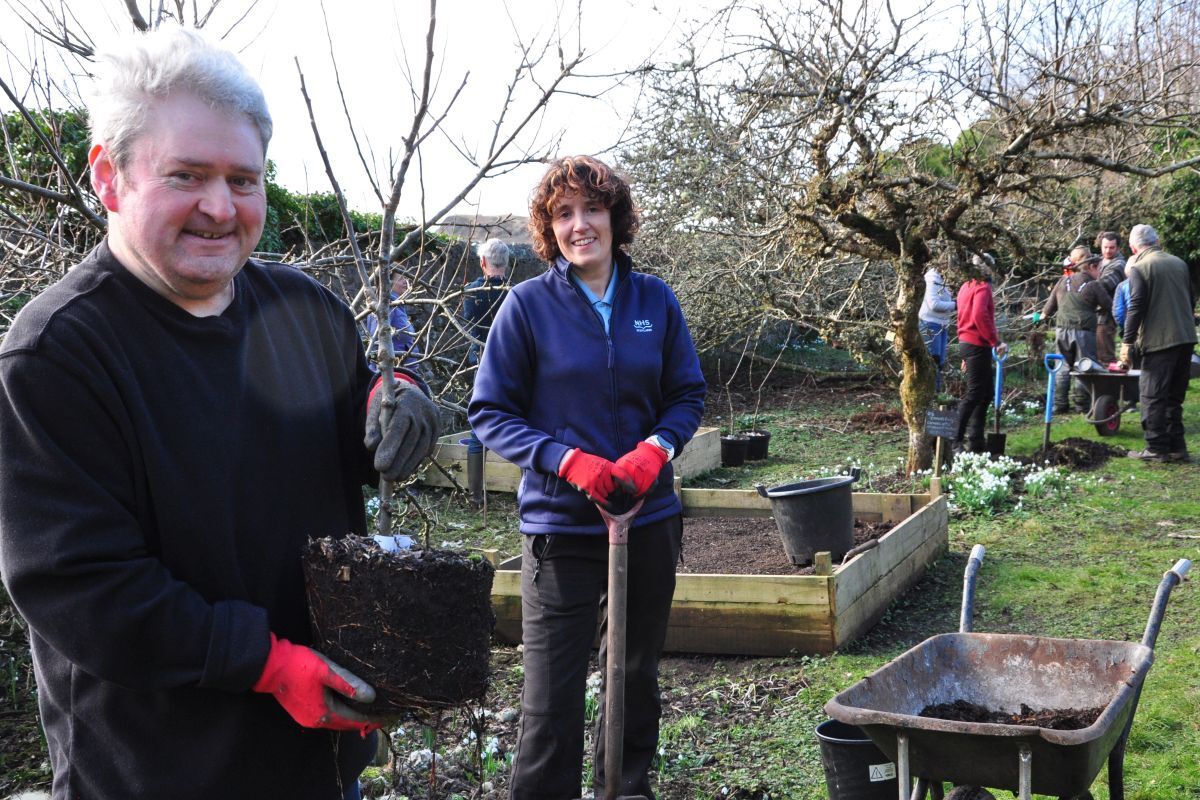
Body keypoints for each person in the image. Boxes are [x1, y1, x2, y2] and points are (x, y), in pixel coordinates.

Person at [0, 28, 439, 800]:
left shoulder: (304, 311)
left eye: (243, 180)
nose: (219, 207)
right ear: (108, 177)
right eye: (187, 175)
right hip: (161, 772)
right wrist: (268, 664)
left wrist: (397, 399)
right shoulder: (58, 356)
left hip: (320, 759)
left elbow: (361, 411)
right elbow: (83, 589)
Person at [469, 155, 706, 800]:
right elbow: (490, 411)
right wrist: (565, 460)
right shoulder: (526, 307)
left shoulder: (654, 300)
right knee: (551, 695)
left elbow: (686, 394)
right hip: (561, 528)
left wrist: (655, 450)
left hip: (647, 519)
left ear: (614, 217)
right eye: (564, 213)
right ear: (549, 228)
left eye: (592, 209)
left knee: (633, 675)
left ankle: (624, 789)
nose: (580, 225)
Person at [1120, 224, 1197, 462]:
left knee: (1152, 396)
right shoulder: (1179, 263)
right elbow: (1191, 300)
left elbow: (1136, 307)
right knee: (1174, 396)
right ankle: (1177, 447)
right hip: (1186, 338)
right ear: (1157, 242)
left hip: (1159, 340)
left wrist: (1127, 342)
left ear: (1133, 247)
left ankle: (1156, 448)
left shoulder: (1140, 267)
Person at [1037, 246, 1113, 414]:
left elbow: (1049, 306)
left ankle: (1060, 404)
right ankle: (1081, 405)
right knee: (1083, 366)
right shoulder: (1094, 285)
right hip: (1083, 331)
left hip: (1062, 329)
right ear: (1092, 267)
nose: (1100, 273)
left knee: (1062, 366)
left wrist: (1042, 317)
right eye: (1099, 269)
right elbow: (1110, 306)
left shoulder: (1063, 281)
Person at [953, 253, 1008, 455]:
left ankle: (976, 441)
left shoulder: (965, 286)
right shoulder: (982, 287)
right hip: (977, 344)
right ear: (987, 268)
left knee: (986, 393)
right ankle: (955, 441)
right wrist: (996, 342)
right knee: (975, 393)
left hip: (967, 343)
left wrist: (965, 353)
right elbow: (978, 316)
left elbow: (963, 315)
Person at [463, 237, 511, 364]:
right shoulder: (517, 293)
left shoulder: (470, 291)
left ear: (482, 261)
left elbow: (467, 323)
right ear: (506, 262)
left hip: (481, 360)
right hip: (511, 361)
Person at [366, 269, 421, 368]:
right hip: (392, 371)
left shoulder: (398, 306)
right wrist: (380, 371)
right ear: (388, 282)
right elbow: (376, 341)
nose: (406, 282)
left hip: (403, 370)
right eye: (400, 279)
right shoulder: (385, 306)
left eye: (406, 278)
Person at [918, 262, 956, 391]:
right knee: (932, 362)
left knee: (939, 362)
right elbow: (934, 304)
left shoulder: (943, 279)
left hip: (942, 324)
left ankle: (936, 394)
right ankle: (929, 394)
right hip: (929, 323)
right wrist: (956, 305)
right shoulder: (932, 279)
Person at [1093, 231, 1127, 363]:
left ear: (1118, 247)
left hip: (1106, 316)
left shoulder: (1119, 264)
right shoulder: (1099, 261)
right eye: (1105, 247)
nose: (1107, 251)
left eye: (1112, 247)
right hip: (1095, 314)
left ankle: (1112, 375)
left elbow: (1103, 285)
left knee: (1105, 355)